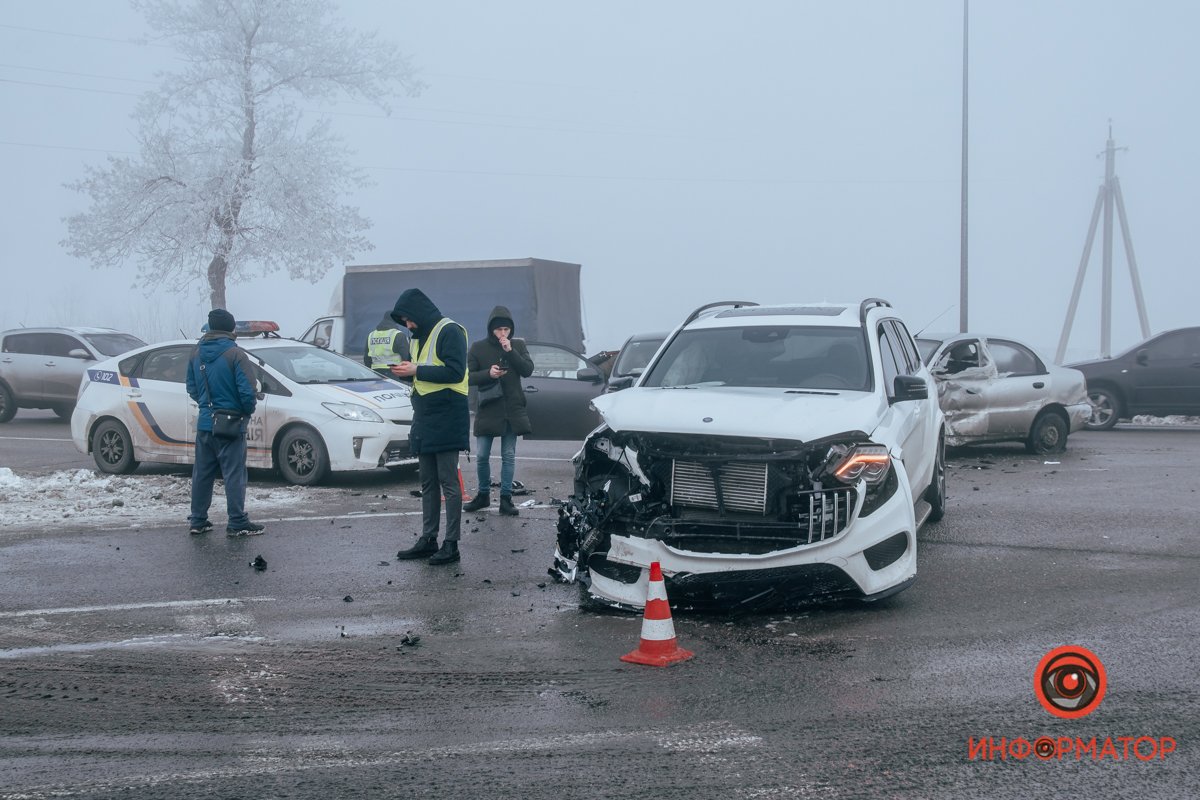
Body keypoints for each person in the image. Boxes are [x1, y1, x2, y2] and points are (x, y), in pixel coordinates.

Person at [389, 289, 470, 565]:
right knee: (427, 482)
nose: (408, 325)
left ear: (420, 313)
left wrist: (415, 371)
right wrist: (407, 373)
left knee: (448, 482)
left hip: (447, 414)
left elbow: (455, 371)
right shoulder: (418, 337)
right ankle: (428, 539)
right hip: (425, 416)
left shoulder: (450, 331)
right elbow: (422, 375)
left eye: (409, 319)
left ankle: (451, 544)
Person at [185, 308, 264, 537]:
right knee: (234, 474)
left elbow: (191, 387)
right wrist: (245, 411)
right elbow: (247, 392)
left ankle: (198, 520)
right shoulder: (235, 354)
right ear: (230, 328)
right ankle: (237, 521)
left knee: (202, 474)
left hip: (205, 424)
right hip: (231, 424)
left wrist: (204, 406)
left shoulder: (196, 353)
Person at [463, 306, 534, 516]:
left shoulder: (518, 345)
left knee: (508, 455)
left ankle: (506, 498)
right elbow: (468, 376)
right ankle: (483, 495)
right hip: (488, 407)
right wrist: (489, 373)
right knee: (482, 454)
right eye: (499, 330)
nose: (503, 333)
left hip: (512, 409)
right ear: (491, 329)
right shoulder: (477, 347)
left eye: (506, 329)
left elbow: (527, 370)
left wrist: (510, 351)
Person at [364, 312, 410, 379]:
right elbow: (406, 357)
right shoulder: (398, 335)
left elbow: (366, 358)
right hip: (395, 372)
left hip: (376, 373)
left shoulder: (371, 335)